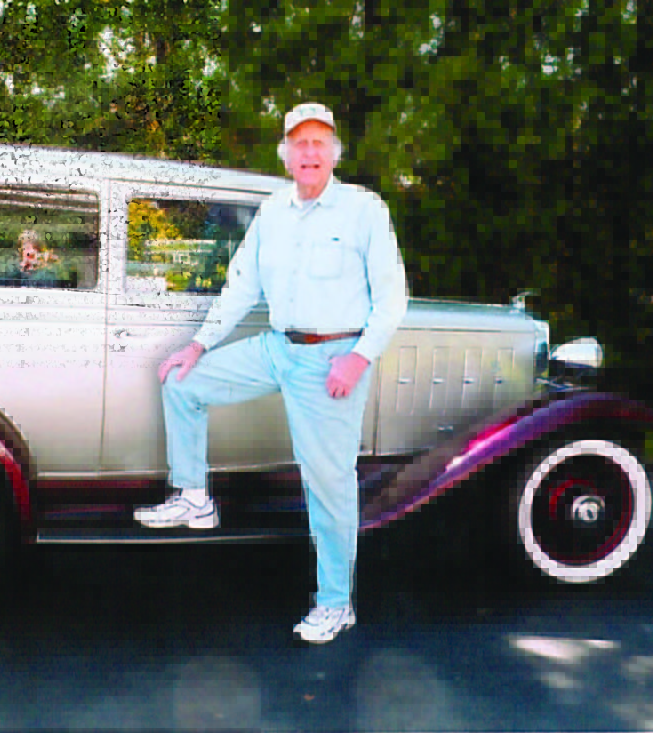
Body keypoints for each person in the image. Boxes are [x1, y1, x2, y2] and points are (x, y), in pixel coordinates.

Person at [134, 103, 409, 643]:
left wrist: (358, 358)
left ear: (334, 153)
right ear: (285, 155)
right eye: (299, 143)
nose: (309, 152)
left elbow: (392, 296)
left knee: (328, 485)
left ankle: (336, 604)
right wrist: (199, 345)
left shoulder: (363, 209)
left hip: (333, 358)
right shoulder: (273, 212)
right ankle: (194, 498)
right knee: (182, 383)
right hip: (277, 348)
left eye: (319, 142)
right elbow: (241, 285)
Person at [0, 229, 73, 287]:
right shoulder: (13, 272)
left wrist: (44, 268)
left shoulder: (47, 274)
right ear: (21, 251)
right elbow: (2, 283)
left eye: (35, 248)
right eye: (27, 247)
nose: (31, 252)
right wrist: (22, 270)